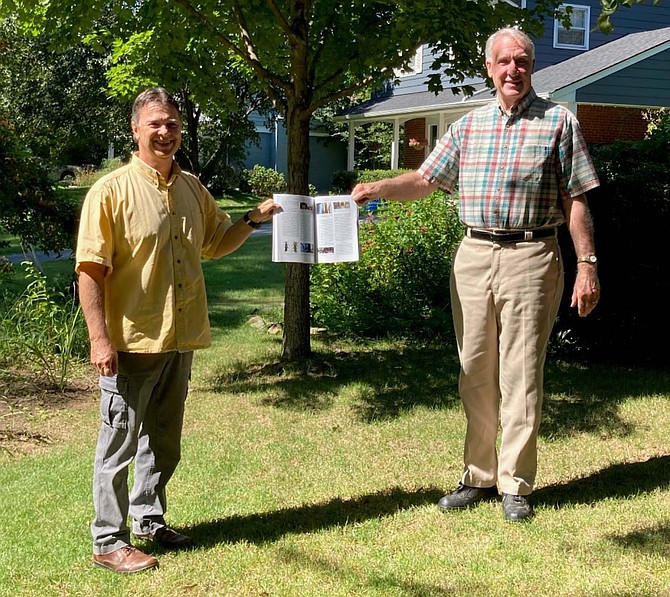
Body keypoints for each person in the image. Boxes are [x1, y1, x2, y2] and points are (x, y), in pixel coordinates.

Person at [351, 28, 601, 522]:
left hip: (532, 256)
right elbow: (425, 180)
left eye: (523, 61)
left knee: (521, 373)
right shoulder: (469, 127)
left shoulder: (558, 122)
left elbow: (576, 199)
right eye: (504, 61)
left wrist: (587, 265)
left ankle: (515, 483)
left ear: (532, 66)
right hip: (473, 254)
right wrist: (377, 187)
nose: (514, 69)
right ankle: (479, 474)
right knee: (475, 371)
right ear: (489, 67)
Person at [76, 87, 277, 573]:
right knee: (119, 443)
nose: (164, 132)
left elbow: (216, 243)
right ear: (135, 130)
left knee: (163, 442)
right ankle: (108, 539)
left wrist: (252, 218)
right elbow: (90, 269)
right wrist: (99, 338)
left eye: (172, 124)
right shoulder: (111, 190)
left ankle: (148, 521)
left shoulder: (191, 188)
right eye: (155, 124)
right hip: (131, 342)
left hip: (179, 338)